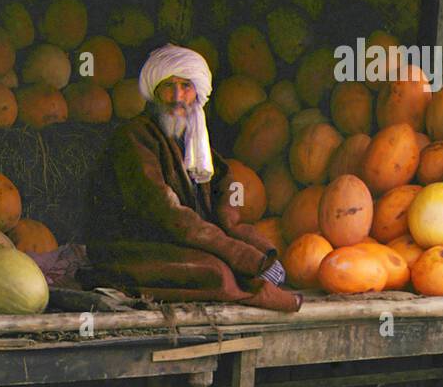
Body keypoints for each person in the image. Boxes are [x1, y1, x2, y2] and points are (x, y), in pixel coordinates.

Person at [84, 43, 300, 311]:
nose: (177, 96)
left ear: (197, 92)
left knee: (248, 260)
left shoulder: (194, 139)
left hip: (184, 240)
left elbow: (224, 184)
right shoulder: (134, 137)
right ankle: (255, 285)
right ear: (154, 92)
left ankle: (254, 274)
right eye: (168, 86)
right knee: (216, 272)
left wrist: (245, 242)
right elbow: (166, 212)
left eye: (186, 86)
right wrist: (238, 254)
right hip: (134, 247)